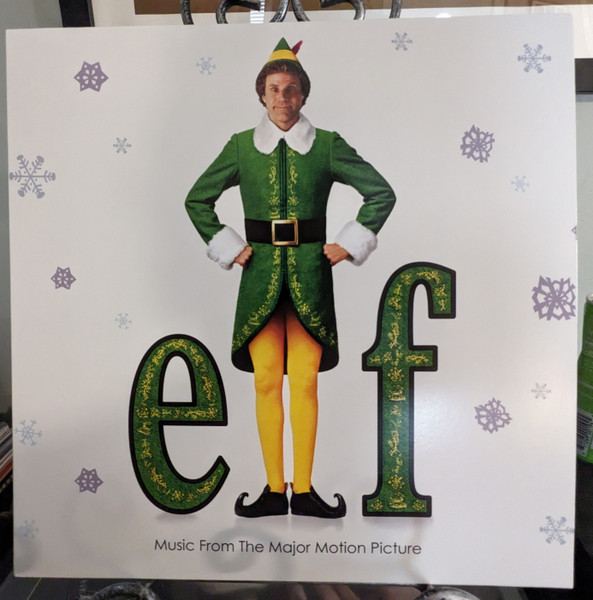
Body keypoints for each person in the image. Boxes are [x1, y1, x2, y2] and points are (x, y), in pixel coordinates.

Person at [185, 38, 395, 518]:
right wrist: (231, 246)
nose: (283, 97)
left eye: (292, 88)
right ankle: (272, 489)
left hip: (309, 277)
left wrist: (349, 242)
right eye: (274, 88)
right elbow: (197, 199)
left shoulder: (327, 145)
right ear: (262, 94)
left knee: (304, 383)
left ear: (304, 94)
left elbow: (380, 193)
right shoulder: (241, 146)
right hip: (259, 277)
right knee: (264, 381)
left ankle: (303, 490)